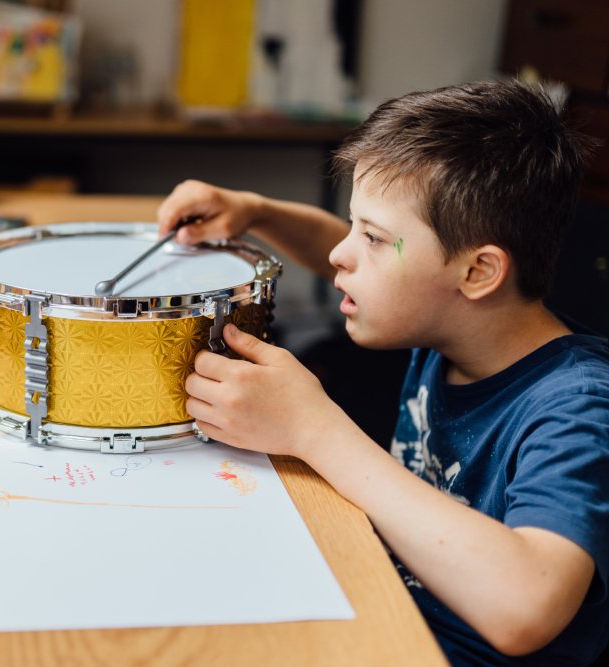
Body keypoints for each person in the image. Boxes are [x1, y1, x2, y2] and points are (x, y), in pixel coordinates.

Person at [158, 80, 609, 666]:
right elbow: (368, 262)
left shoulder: (578, 407)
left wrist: (314, 429)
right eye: (355, 226)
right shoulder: (451, 318)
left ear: (477, 273)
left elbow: (526, 607)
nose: (340, 255)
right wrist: (257, 211)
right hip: (386, 610)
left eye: (371, 237)